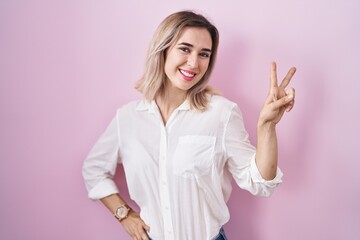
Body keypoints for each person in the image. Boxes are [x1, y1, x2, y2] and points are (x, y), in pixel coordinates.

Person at [82, 10, 296, 240]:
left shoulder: (221, 113)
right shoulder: (127, 119)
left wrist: (267, 127)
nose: (194, 63)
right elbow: (93, 170)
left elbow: (260, 182)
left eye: (204, 54)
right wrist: (124, 215)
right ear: (163, 49)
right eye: (185, 49)